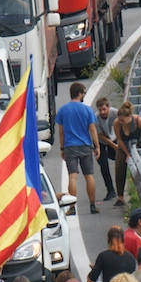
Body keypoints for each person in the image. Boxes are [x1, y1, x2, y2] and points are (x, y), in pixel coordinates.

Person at [54, 82, 101, 215]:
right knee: (89, 176)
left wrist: (62, 148)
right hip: (85, 146)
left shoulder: (63, 110)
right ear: (80, 93)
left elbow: (61, 131)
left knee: (72, 177)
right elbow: (92, 129)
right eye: (84, 93)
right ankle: (92, 205)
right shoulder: (87, 110)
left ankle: (72, 207)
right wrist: (97, 146)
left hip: (70, 146)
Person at [94, 97, 118, 203]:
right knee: (103, 165)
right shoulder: (96, 118)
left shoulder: (115, 113)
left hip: (114, 137)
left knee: (117, 159)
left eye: (104, 109)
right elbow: (100, 135)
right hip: (101, 141)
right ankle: (110, 190)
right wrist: (112, 145)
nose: (102, 112)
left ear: (108, 107)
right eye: (100, 110)